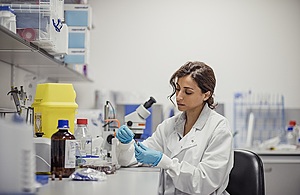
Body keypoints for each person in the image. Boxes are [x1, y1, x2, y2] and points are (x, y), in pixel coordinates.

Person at [116, 61, 233, 195]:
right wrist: (125, 145)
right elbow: (129, 160)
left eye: (188, 92)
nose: (179, 96)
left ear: (206, 95)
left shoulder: (219, 128)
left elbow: (203, 183)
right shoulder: (169, 125)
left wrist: (165, 162)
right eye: (177, 89)